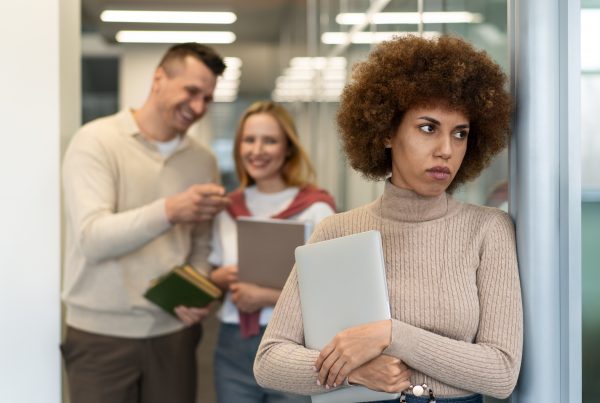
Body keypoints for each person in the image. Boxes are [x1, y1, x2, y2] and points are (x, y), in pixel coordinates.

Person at [254, 35, 523, 403]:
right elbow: (269, 361)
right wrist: (351, 372)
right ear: (385, 132)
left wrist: (391, 335)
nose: (446, 149)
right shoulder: (335, 232)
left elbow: (501, 371)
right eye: (428, 128)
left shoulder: (487, 229)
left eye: (460, 134)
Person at [61, 43, 230, 403]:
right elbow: (93, 238)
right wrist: (169, 210)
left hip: (174, 333)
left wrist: (197, 291)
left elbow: (201, 242)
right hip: (100, 337)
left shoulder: (203, 160)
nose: (198, 107)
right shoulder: (96, 141)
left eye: (208, 99)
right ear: (159, 79)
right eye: (191, 91)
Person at [208, 101, 336, 403]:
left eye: (270, 141)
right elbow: (212, 273)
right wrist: (220, 278)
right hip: (233, 344)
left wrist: (264, 297)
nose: (257, 150)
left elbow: (332, 292)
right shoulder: (228, 209)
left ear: (288, 149)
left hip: (295, 345)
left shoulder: (317, 209)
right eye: (249, 140)